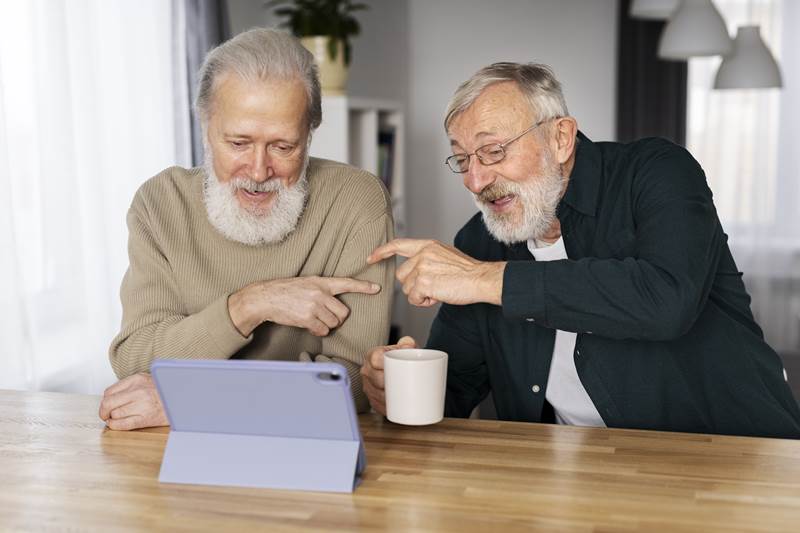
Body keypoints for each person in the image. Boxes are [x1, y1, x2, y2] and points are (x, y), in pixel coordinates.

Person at [361, 62, 800, 439]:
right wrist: (394, 389)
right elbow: (454, 391)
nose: (475, 181)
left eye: (493, 151)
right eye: (463, 158)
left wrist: (484, 279)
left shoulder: (657, 172)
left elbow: (667, 299)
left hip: (736, 456)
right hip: (575, 477)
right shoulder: (478, 240)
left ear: (560, 139)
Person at [99, 28, 394, 430]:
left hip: (310, 445)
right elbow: (136, 360)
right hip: (170, 449)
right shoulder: (160, 203)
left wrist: (192, 400)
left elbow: (354, 383)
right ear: (206, 127)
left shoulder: (357, 202)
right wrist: (251, 304)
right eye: (238, 143)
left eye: (283, 147)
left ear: (309, 135)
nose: (258, 171)